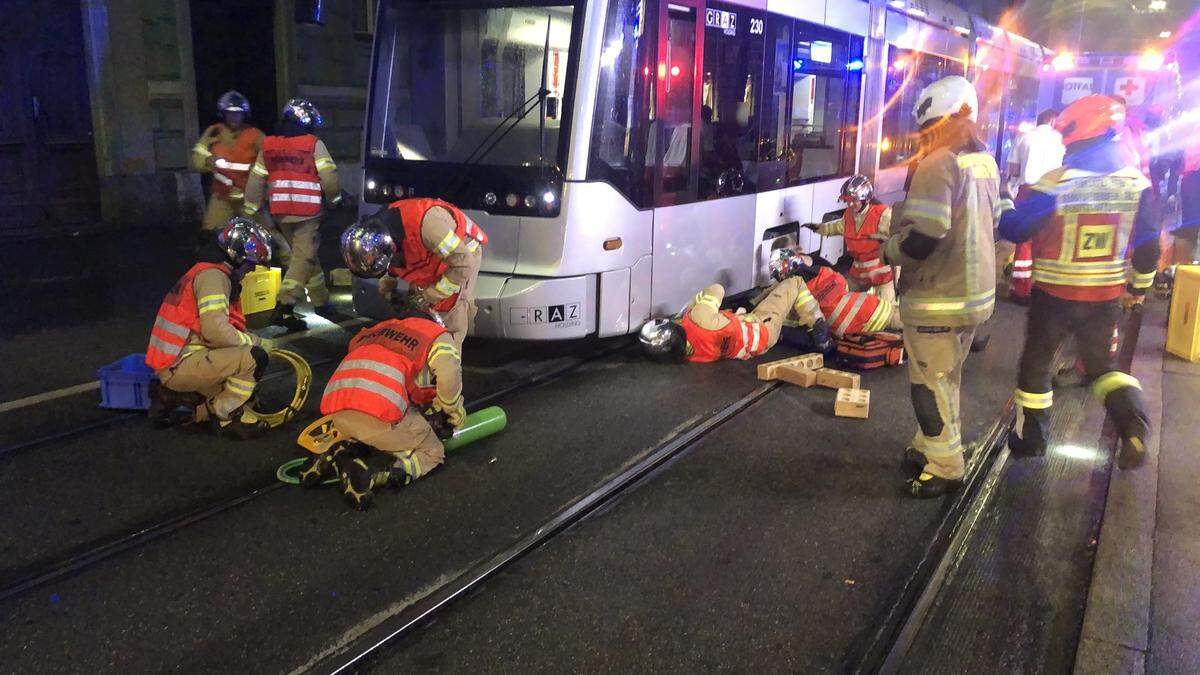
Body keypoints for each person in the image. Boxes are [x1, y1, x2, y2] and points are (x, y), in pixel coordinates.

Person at [998, 94, 1158, 469]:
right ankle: (1132, 424)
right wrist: (1138, 287)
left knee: (1036, 364)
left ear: (1074, 136)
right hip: (1104, 297)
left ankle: (1030, 439)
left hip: (1053, 295)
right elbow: (1149, 244)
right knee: (1103, 367)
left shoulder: (1058, 182)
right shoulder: (1137, 184)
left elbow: (1016, 228)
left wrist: (1004, 204)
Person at [879, 75, 999, 498]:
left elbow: (924, 236)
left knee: (928, 384)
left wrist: (889, 250)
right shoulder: (984, 160)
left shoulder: (938, 163)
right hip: (975, 296)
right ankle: (927, 444)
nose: (923, 136)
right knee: (947, 377)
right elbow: (995, 222)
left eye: (927, 127)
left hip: (939, 298)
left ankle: (946, 466)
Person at [297, 299, 465, 510]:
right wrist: (452, 411)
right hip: (377, 417)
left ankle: (342, 450)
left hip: (338, 415)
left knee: (370, 430)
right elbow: (449, 375)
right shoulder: (434, 335)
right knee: (433, 451)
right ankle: (375, 473)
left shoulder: (376, 330)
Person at [145, 217, 274, 439]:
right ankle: (225, 415)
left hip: (176, 359)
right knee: (255, 358)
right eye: (251, 263)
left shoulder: (206, 271)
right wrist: (255, 342)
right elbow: (215, 331)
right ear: (238, 257)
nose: (251, 270)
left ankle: (177, 397)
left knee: (246, 388)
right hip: (181, 363)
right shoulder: (214, 278)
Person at [243, 98, 341, 331]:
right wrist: (335, 199)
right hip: (307, 213)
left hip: (281, 212)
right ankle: (284, 308)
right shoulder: (313, 143)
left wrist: (251, 207)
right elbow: (329, 177)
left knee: (305, 256)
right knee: (302, 258)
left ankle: (321, 302)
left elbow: (256, 178)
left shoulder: (268, 145)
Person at [341, 198, 487, 349]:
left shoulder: (428, 226)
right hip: (431, 254)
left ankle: (447, 364)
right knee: (420, 315)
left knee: (448, 321)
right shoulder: (380, 235)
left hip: (462, 253)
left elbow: (463, 263)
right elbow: (391, 266)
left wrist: (431, 294)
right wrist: (389, 287)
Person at [639, 278, 829, 363]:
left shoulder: (691, 355)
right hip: (763, 326)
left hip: (753, 346)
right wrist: (693, 304)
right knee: (794, 282)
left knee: (775, 291)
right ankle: (819, 328)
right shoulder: (697, 316)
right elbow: (717, 289)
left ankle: (761, 305)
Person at [770, 248, 902, 340]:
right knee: (909, 321)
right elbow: (843, 283)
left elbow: (791, 320)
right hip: (872, 308)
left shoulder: (796, 294)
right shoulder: (824, 272)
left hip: (849, 331)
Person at [806, 174, 897, 306]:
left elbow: (900, 238)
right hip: (858, 275)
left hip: (883, 278)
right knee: (839, 301)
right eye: (847, 200)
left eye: (854, 200)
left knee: (887, 312)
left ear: (865, 199)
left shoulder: (883, 215)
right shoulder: (848, 215)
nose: (850, 204)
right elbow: (837, 227)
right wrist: (818, 228)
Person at [1005, 109, 1065, 303]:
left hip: (1028, 189)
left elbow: (1013, 170)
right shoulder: (1061, 139)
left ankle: (1021, 290)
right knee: (1048, 238)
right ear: (1052, 120)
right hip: (1054, 191)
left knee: (1024, 240)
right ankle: (1042, 286)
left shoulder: (1024, 137)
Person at [190, 91, 265, 235]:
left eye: (238, 113)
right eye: (230, 113)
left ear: (244, 114)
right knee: (211, 233)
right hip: (221, 196)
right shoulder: (214, 132)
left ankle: (285, 257)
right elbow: (198, 160)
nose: (234, 117)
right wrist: (208, 160)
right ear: (223, 113)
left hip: (249, 197)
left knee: (265, 235)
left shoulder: (255, 135)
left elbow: (269, 160)